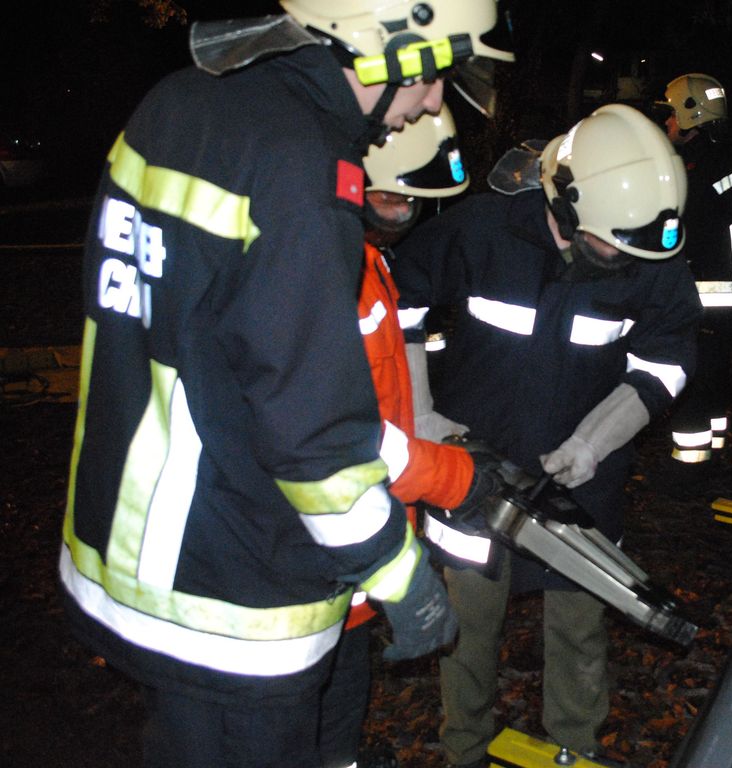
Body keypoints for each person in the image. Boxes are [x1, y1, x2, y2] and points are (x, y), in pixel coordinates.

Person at [57, 2, 512, 767]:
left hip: (129, 540)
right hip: (232, 594)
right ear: (376, 45)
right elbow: (312, 432)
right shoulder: (298, 171)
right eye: (431, 69)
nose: (434, 101)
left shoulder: (178, 102)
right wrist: (401, 576)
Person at [391, 103, 702, 768]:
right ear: (563, 205)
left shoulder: (646, 247)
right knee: (465, 634)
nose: (619, 259)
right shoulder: (482, 229)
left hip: (583, 486)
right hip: (468, 475)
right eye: (605, 246)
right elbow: (395, 295)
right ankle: (463, 752)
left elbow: (666, 358)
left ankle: (576, 750)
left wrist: (594, 442)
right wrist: (417, 411)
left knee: (579, 632)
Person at [333, 104, 492, 768]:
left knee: (339, 694)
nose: (400, 210)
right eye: (388, 194)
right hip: (312, 556)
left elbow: (387, 396)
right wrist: (453, 476)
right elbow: (333, 434)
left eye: (410, 199)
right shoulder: (327, 270)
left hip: (351, 554)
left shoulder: (367, 263)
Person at [657, 74, 732, 477]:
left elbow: (675, 236)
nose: (666, 125)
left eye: (670, 116)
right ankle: (713, 453)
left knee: (694, 382)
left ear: (690, 116)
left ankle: (688, 471)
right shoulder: (728, 168)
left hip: (707, 297)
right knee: (714, 379)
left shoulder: (695, 174)